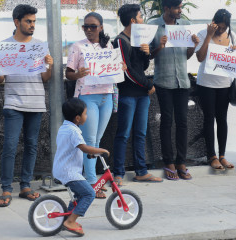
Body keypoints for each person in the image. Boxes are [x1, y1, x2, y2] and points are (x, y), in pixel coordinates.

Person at [0, 4, 53, 207]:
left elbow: (45, 78)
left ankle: (26, 185)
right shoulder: (4, 46)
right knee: (10, 146)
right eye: (28, 21)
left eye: (34, 21)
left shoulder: (40, 45)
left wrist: (49, 65)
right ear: (17, 22)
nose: (32, 25)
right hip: (13, 102)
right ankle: (6, 188)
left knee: (31, 145)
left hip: (35, 102)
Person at [65, 12, 125, 199]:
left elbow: (115, 68)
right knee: (90, 141)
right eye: (86, 26)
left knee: (96, 139)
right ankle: (91, 183)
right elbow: (68, 74)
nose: (89, 30)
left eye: (93, 26)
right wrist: (78, 74)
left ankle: (91, 180)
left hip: (106, 95)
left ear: (101, 27)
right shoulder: (78, 46)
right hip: (87, 96)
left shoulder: (108, 45)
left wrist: (120, 67)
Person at [112, 4, 163, 186]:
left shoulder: (138, 40)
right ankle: (118, 173)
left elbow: (140, 67)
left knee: (140, 133)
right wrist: (148, 84)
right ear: (133, 20)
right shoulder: (120, 40)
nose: (143, 20)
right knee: (123, 134)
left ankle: (141, 171)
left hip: (142, 95)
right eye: (141, 17)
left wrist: (146, 54)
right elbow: (127, 72)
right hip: (128, 94)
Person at [149, 0, 199, 180]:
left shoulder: (184, 25)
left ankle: (181, 162)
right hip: (163, 81)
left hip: (183, 82)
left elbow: (186, 55)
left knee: (183, 122)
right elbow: (146, 55)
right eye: (177, 7)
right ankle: (168, 161)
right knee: (166, 122)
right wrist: (159, 47)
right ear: (167, 8)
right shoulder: (152, 26)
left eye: (181, 7)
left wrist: (193, 46)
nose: (180, 10)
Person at [53, 98, 109, 237]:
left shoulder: (65, 127)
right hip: (69, 172)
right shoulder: (74, 131)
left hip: (62, 168)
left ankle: (67, 219)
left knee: (78, 196)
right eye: (85, 114)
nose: (87, 116)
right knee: (89, 193)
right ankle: (71, 221)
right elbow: (83, 148)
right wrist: (100, 150)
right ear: (78, 118)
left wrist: (91, 154)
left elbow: (74, 148)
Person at [195, 9, 236, 170]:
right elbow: (200, 57)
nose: (221, 30)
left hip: (224, 84)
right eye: (219, 27)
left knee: (222, 119)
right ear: (213, 22)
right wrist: (208, 35)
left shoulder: (231, 36)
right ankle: (211, 156)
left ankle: (222, 156)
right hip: (206, 84)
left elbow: (235, 61)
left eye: (224, 28)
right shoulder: (202, 33)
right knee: (209, 119)